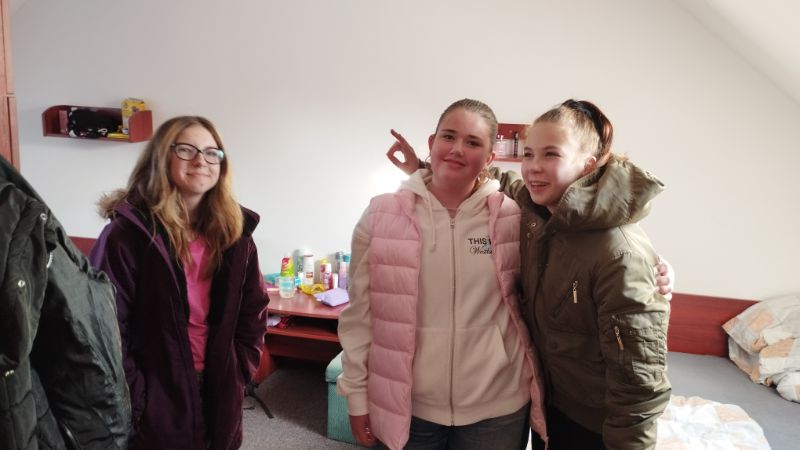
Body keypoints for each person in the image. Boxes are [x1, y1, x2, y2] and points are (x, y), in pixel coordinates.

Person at [390, 99, 672, 449]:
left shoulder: (620, 253)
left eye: (551, 155)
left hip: (597, 426)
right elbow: (491, 178)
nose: (534, 167)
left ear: (587, 165)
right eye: (528, 154)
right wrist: (422, 166)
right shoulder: (536, 214)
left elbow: (640, 382)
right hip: (547, 406)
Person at [337, 99, 548, 450]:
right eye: (449, 136)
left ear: (489, 158)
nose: (457, 149)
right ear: (432, 142)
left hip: (497, 408)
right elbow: (359, 315)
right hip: (407, 407)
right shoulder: (382, 215)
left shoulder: (513, 218)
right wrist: (356, 395)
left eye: (473, 142)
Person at [90, 116, 267, 450]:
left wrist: (240, 371)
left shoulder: (236, 234)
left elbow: (253, 310)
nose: (201, 161)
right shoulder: (126, 236)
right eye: (187, 150)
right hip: (156, 392)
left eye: (212, 153)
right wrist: (136, 396)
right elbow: (104, 327)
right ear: (161, 157)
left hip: (218, 384)